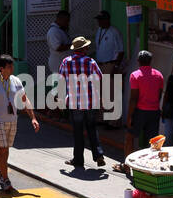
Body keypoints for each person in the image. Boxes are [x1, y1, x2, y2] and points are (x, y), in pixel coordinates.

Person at [0, 53, 39, 191]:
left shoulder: (16, 81)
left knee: (6, 150)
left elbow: (25, 99)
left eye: (12, 65)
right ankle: (6, 180)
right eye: (9, 66)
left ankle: (0, 173)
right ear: (2, 68)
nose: (12, 68)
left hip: (12, 120)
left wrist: (33, 117)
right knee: (2, 149)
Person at [60, 36, 105, 169]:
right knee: (92, 128)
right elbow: (99, 77)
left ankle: (78, 160)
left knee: (78, 132)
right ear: (84, 48)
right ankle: (99, 155)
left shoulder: (66, 62)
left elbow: (61, 80)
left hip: (75, 103)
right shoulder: (90, 62)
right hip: (90, 101)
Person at [119, 50, 164, 174]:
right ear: (150, 61)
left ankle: (127, 167)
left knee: (129, 137)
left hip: (140, 111)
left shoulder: (135, 75)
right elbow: (159, 95)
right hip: (154, 111)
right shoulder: (159, 75)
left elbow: (134, 98)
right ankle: (151, 169)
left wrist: (129, 116)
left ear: (138, 61)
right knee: (154, 142)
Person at [93, 10, 124, 126]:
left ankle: (114, 121)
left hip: (110, 64)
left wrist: (116, 66)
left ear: (107, 20)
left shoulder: (114, 32)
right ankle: (102, 118)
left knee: (112, 93)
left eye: (101, 20)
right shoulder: (99, 31)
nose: (99, 22)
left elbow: (121, 51)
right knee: (102, 93)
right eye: (98, 20)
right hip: (100, 65)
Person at [46, 9, 71, 82]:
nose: (68, 23)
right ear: (60, 19)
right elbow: (58, 47)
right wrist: (73, 46)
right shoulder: (53, 31)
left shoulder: (60, 30)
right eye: (66, 21)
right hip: (58, 64)